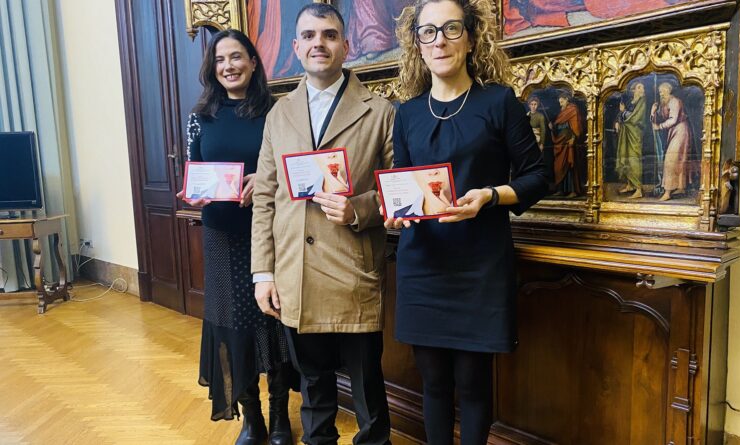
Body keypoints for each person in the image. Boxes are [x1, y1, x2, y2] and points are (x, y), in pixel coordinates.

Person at [388, 1, 551, 443]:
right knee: (434, 385)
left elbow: (540, 176)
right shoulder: (407, 114)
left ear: (472, 38)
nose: (439, 39)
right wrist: (396, 212)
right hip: (423, 264)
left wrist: (492, 196)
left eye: (451, 28)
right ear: (417, 44)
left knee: (474, 386)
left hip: (480, 266)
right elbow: (403, 185)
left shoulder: (498, 102)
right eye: (428, 32)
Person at [250, 4, 395, 445]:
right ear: (296, 48)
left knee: (368, 390)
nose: (319, 43)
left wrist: (358, 209)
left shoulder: (380, 111)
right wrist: (263, 273)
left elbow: (398, 193)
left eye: (329, 35)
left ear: (346, 45)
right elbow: (264, 198)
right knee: (313, 390)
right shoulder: (279, 115)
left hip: (353, 272)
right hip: (295, 275)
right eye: (309, 36)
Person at [177, 29, 298, 445]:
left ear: (252, 62)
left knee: (275, 323)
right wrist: (193, 193)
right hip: (222, 235)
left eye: (236, 57)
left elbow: (291, 171)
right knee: (233, 328)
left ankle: (281, 416)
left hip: (272, 233)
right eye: (220, 60)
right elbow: (194, 171)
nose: (228, 66)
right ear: (212, 69)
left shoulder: (277, 113)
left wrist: (261, 181)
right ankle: (252, 418)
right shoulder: (200, 116)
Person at [650, 82, 693, 201]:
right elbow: (656, 119)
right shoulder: (663, 104)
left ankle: (668, 192)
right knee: (678, 159)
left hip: (681, 130)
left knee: (671, 159)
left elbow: (673, 120)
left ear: (669, 91)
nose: (661, 94)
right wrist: (653, 112)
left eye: (663, 91)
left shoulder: (675, 101)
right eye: (659, 92)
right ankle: (680, 187)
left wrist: (660, 126)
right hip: (673, 132)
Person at [614, 81, 647, 199]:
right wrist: (617, 121)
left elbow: (635, 118)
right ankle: (630, 185)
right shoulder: (631, 102)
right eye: (639, 87)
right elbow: (621, 114)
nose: (642, 89)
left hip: (635, 134)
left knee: (634, 159)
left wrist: (623, 113)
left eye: (642, 87)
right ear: (633, 90)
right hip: (626, 133)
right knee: (626, 157)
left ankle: (638, 189)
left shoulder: (642, 102)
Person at [550, 91, 584, 197]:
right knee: (559, 166)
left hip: (569, 141)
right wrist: (552, 127)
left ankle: (573, 190)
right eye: (559, 102)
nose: (560, 104)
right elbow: (559, 126)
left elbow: (576, 126)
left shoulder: (573, 109)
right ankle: (561, 190)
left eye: (561, 102)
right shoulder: (561, 112)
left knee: (570, 164)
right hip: (560, 141)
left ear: (566, 100)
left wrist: (573, 138)